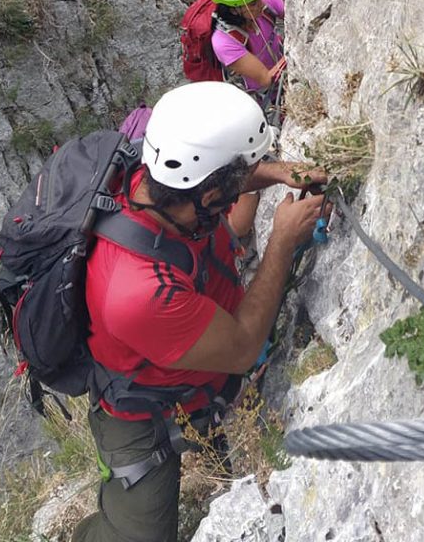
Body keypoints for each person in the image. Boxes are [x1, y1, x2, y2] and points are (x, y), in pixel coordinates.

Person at [71, 82, 327, 542]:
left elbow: (209, 181)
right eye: (230, 189)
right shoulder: (138, 291)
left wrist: (276, 173)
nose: (234, 196)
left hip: (193, 374)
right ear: (210, 198)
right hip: (141, 414)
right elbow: (244, 347)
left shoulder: (152, 185)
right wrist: (282, 242)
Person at [209, 0, 287, 108]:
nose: (261, 3)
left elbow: (299, 18)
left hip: (283, 65)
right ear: (233, 10)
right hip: (267, 98)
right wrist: (294, 54)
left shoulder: (265, 3)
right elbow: (265, 78)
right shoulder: (224, 42)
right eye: (252, 3)